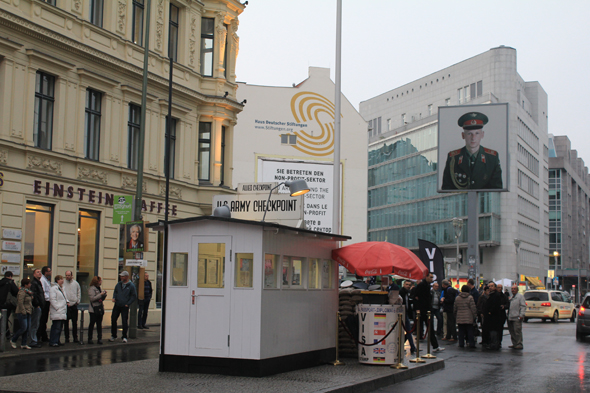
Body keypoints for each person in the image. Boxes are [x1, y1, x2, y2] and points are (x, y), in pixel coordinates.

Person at [441, 111, 502, 190]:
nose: (473, 138)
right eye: (469, 134)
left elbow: (497, 189)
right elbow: (446, 188)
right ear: (463, 135)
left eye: (477, 133)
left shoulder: (492, 158)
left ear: (482, 135)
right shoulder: (453, 158)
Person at [413, 272, 445, 352]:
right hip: (423, 310)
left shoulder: (427, 286)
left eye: (432, 277)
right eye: (430, 277)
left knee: (428, 328)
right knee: (419, 327)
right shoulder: (422, 285)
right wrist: (418, 308)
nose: (432, 279)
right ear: (426, 277)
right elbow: (416, 296)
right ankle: (434, 346)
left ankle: (435, 346)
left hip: (426, 310)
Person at [110, 271, 137, 343]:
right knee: (113, 319)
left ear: (126, 277)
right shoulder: (118, 284)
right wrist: (114, 297)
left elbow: (133, 296)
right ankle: (113, 335)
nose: (121, 277)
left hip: (125, 306)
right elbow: (115, 291)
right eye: (121, 276)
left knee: (124, 321)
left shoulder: (131, 285)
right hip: (117, 304)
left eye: (122, 276)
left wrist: (128, 303)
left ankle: (124, 336)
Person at [10, 278, 33, 350]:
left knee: (27, 328)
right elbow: (20, 302)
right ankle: (13, 339)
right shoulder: (22, 292)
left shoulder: (28, 292)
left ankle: (24, 343)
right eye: (29, 283)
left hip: (28, 311)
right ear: (26, 285)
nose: (30, 284)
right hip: (22, 312)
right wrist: (23, 311)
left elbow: (28, 301)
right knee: (23, 328)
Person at [49, 275, 69, 347]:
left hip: (62, 310)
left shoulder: (62, 288)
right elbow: (52, 299)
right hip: (57, 311)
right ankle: (53, 341)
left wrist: (67, 302)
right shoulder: (54, 289)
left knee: (60, 327)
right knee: (56, 327)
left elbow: (64, 298)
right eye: (61, 279)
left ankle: (57, 340)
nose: (62, 280)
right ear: (57, 280)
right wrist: (57, 307)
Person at [483, 282, 504, 350]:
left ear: (495, 287)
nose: (490, 287)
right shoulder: (490, 295)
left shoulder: (496, 295)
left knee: (494, 332)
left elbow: (495, 306)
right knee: (490, 331)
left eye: (492, 286)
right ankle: (491, 343)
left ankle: (494, 344)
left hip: (494, 318)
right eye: (489, 286)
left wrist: (490, 312)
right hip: (489, 318)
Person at [88, 276, 107, 345]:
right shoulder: (91, 289)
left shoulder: (99, 288)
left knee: (99, 324)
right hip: (93, 309)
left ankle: (99, 338)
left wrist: (104, 295)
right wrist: (100, 294)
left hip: (100, 308)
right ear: (97, 281)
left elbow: (100, 299)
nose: (101, 281)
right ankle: (90, 338)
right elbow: (92, 299)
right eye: (100, 280)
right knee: (92, 324)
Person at [28, 269, 44, 348]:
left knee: (36, 324)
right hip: (36, 306)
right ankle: (33, 340)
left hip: (39, 305)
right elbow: (34, 295)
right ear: (34, 275)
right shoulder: (34, 283)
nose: (40, 273)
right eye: (37, 272)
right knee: (34, 324)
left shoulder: (38, 282)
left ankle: (34, 339)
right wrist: (37, 304)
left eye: (40, 272)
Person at [63, 271, 81, 343]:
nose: (67, 277)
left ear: (72, 275)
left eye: (69, 275)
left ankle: (75, 337)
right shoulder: (63, 283)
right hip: (66, 305)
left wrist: (78, 301)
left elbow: (79, 292)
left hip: (74, 305)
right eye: (66, 275)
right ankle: (67, 337)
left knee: (74, 322)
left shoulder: (76, 283)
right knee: (66, 323)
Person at [399, 280, 417, 354]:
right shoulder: (401, 292)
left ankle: (411, 346)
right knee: (407, 330)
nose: (408, 286)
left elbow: (408, 303)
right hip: (401, 313)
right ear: (404, 284)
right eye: (407, 284)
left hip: (406, 313)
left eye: (409, 285)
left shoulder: (408, 293)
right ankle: (411, 346)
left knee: (409, 330)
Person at [0, 271, 19, 336]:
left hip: (0, 303)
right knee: (5, 319)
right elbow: (16, 291)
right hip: (7, 303)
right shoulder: (10, 282)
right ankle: (6, 334)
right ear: (10, 276)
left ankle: (5, 333)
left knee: (2, 318)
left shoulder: (1, 282)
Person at [508, 284, 526, 350]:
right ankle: (514, 343)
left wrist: (521, 315)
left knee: (517, 331)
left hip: (517, 317)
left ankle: (519, 344)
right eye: (512, 289)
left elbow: (523, 306)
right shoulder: (511, 297)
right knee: (512, 331)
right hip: (510, 317)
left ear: (517, 290)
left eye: (514, 289)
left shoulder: (520, 297)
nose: (513, 290)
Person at [38, 266, 52, 342]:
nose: (50, 272)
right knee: (42, 319)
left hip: (47, 301)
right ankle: (41, 336)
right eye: (49, 271)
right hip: (45, 301)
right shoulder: (43, 280)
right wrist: (47, 298)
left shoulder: (46, 280)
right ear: (46, 272)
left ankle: (44, 336)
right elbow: (43, 291)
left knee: (44, 320)